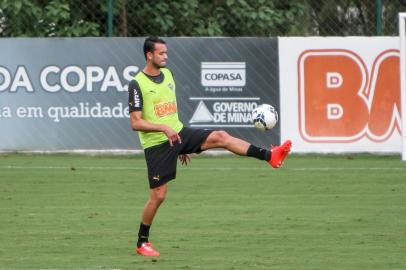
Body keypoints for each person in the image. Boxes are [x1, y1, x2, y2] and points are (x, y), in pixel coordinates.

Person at [128, 36, 292, 257]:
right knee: (159, 196)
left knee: (221, 136)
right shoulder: (137, 83)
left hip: (178, 134)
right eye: (161, 53)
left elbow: (169, 112)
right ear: (149, 55)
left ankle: (270, 155)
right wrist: (163, 130)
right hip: (157, 144)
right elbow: (136, 122)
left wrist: (181, 146)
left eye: (166, 52)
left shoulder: (168, 74)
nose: (166, 56)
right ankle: (142, 242)